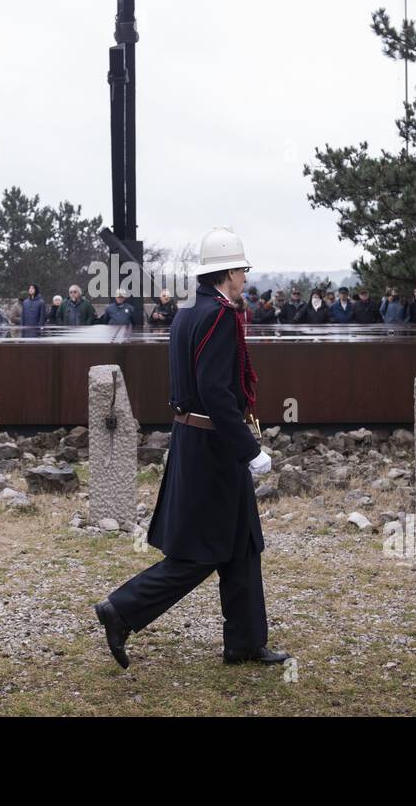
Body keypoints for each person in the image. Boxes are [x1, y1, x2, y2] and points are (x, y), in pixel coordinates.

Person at [94, 226, 289, 668]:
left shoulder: (190, 311)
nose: (244, 277)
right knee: (201, 552)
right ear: (226, 272)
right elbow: (216, 391)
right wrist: (249, 449)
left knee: (242, 544)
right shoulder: (219, 316)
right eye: (241, 269)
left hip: (197, 439)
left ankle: (244, 640)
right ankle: (121, 609)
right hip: (215, 447)